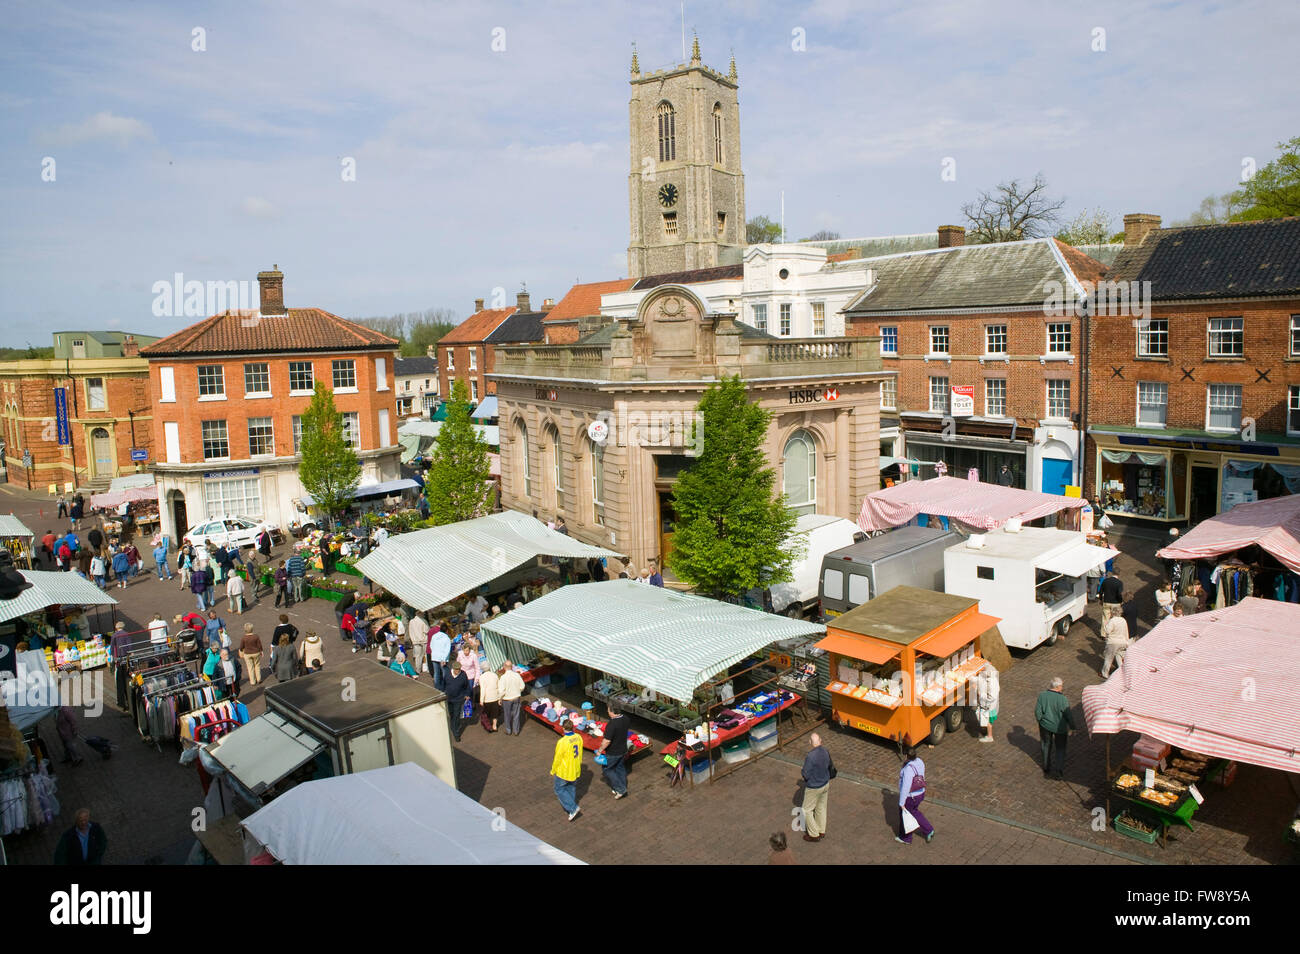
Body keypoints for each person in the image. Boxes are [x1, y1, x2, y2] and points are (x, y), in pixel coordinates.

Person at [1034, 677, 1076, 780]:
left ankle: (1046, 767)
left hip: (1045, 726)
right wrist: (1073, 727)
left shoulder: (1042, 696)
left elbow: (1037, 712)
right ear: (1058, 687)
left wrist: (1041, 721)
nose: (1062, 688)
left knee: (1046, 745)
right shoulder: (1063, 699)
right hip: (1060, 729)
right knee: (1060, 749)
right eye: (1061, 686)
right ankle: (1058, 772)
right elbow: (1068, 715)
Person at [895, 746, 934, 844]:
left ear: (907, 755)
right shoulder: (920, 761)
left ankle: (906, 838)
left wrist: (902, 802)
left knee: (905, 816)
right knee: (914, 812)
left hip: (911, 797)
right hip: (920, 793)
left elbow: (906, 787)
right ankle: (928, 830)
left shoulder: (908, 769)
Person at [799, 732, 833, 843]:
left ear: (810, 742)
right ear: (820, 740)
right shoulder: (825, 751)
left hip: (814, 787)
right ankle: (821, 830)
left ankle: (814, 834)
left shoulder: (810, 756)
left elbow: (806, 773)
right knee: (821, 807)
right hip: (825, 784)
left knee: (806, 810)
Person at [551, 719, 583, 821]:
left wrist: (553, 770)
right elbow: (580, 752)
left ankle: (572, 808)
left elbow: (557, 758)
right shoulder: (578, 737)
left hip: (564, 770)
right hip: (575, 768)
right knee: (571, 788)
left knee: (559, 789)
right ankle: (571, 806)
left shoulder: (562, 742)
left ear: (563, 728)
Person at [597, 706, 630, 798]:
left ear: (612, 712)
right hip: (623, 749)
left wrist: (600, 750)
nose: (607, 712)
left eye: (608, 711)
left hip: (613, 752)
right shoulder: (626, 718)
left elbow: (607, 741)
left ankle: (620, 789)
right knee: (620, 768)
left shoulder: (612, 724)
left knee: (607, 770)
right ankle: (622, 786)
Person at [443, 660, 470, 742]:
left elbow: (467, 686)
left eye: (459, 669)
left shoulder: (463, 675)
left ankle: (456, 733)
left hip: (458, 698)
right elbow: (443, 684)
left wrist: (467, 694)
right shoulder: (447, 675)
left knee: (457, 715)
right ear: (453, 669)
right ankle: (453, 726)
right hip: (449, 698)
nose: (458, 671)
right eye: (456, 669)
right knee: (452, 714)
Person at [499, 660, 525, 736]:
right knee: (516, 715)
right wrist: (518, 691)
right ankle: (516, 731)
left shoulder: (503, 678)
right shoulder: (517, 675)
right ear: (511, 667)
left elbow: (501, 691)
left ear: (504, 667)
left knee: (507, 715)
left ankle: (508, 730)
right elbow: (522, 686)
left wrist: (500, 699)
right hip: (516, 697)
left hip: (507, 699)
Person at [975, 662, 1000, 742]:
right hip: (990, 705)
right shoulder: (993, 679)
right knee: (986, 719)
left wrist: (981, 694)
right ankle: (985, 729)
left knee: (988, 721)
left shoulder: (991, 683)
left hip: (988, 705)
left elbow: (991, 697)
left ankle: (990, 736)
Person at [478, 663, 501, 732]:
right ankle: (495, 726)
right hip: (495, 697)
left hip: (487, 698)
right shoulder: (494, 675)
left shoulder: (482, 677)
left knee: (487, 713)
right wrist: (499, 697)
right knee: (495, 712)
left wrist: (481, 700)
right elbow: (498, 686)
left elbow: (483, 689)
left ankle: (489, 725)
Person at [428, 623, 452, 690]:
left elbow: (431, 646)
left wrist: (434, 652)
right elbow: (447, 649)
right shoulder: (446, 638)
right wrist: (444, 659)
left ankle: (437, 687)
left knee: (436, 673)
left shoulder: (434, 636)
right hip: (442, 658)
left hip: (434, 656)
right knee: (444, 673)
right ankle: (445, 687)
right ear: (447, 630)